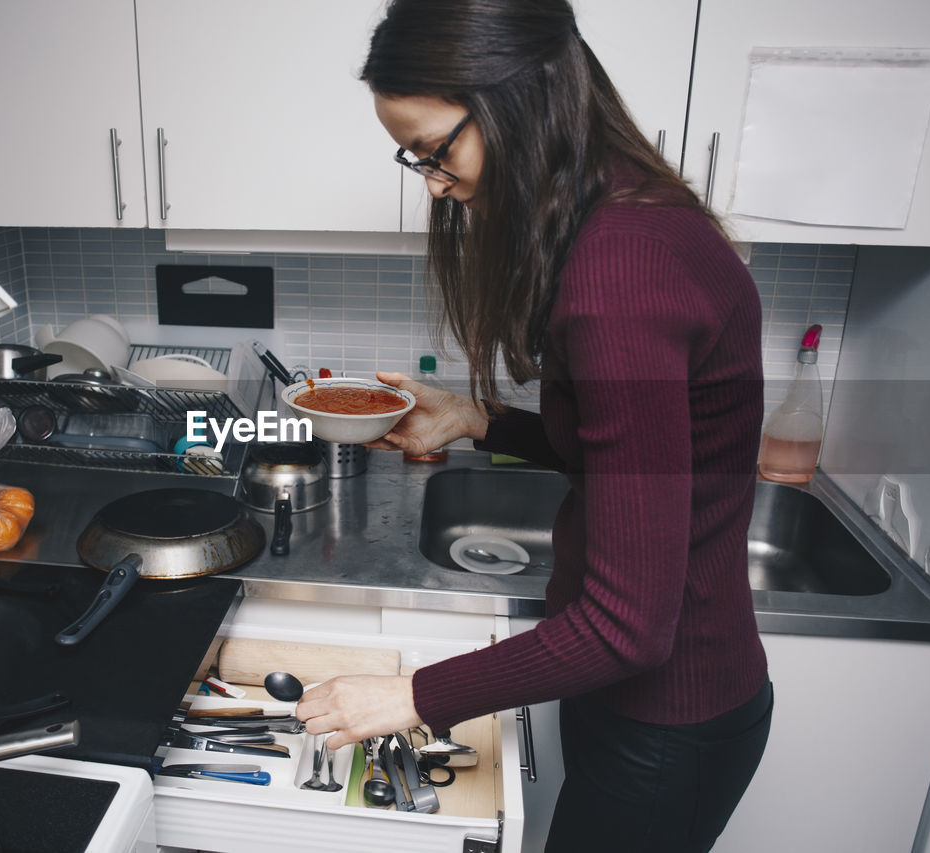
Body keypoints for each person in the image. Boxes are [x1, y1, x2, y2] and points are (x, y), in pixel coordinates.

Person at [293, 2, 773, 850]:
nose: (434, 182)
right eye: (415, 159)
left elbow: (626, 625)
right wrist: (483, 420)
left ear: (521, 102)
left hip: (668, 722)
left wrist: (410, 694)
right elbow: (639, 457)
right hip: (650, 701)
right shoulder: (633, 214)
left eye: (436, 152)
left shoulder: (619, 271)